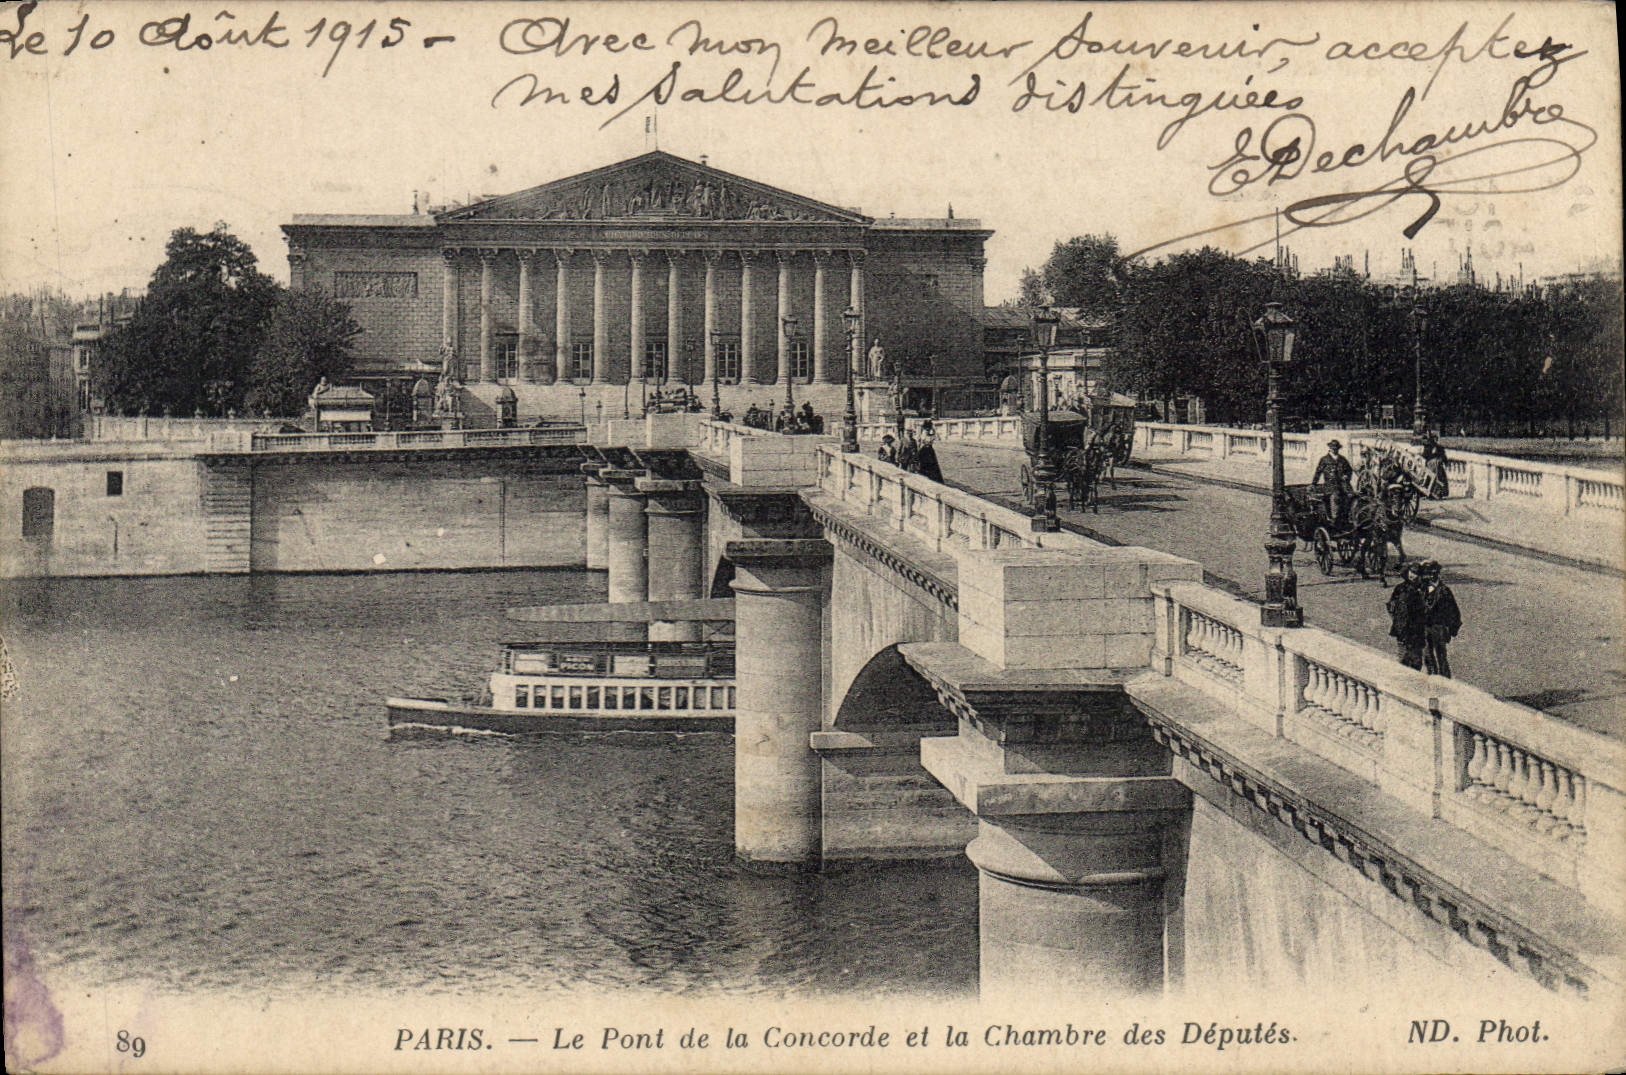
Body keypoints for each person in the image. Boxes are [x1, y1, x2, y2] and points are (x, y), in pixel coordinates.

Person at [1419, 560, 1461, 677]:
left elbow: (1454, 611)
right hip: (1425, 627)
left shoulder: (1444, 591)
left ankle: (1444, 679)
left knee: (1441, 656)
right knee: (1427, 654)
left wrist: (1451, 630)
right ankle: (1431, 676)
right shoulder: (1422, 588)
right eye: (1429, 572)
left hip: (1439, 627)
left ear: (1438, 573)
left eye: (1434, 572)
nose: (1431, 575)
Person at [1386, 562, 1426, 670]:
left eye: (1416, 573)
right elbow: (1391, 605)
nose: (1413, 575)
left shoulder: (1423, 590)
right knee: (1403, 657)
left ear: (1420, 576)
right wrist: (1397, 620)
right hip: (1402, 629)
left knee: (1416, 660)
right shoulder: (1400, 588)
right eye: (1411, 572)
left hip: (1417, 631)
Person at [1312, 439, 1354, 528]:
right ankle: (1335, 519)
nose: (1335, 449)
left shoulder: (1342, 459)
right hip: (1330, 485)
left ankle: (1348, 516)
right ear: (1330, 448)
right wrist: (1314, 484)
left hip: (1343, 484)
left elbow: (1349, 470)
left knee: (1351, 496)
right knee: (1335, 497)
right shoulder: (1324, 460)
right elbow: (1318, 472)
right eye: (1333, 448)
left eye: (1336, 448)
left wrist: (1347, 476)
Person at [1422, 432, 1451, 498]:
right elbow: (1424, 456)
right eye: (1434, 439)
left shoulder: (1440, 447)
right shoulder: (1428, 447)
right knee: (1429, 478)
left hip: (1438, 467)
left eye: (1436, 439)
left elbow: (1444, 457)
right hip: (1431, 467)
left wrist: (1443, 461)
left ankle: (1439, 493)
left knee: (1440, 478)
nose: (1435, 440)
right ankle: (1429, 493)